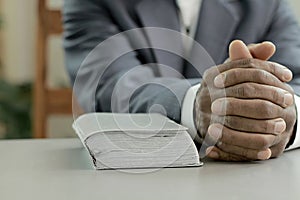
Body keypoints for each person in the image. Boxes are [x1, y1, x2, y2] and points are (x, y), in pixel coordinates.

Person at [63, 0, 300, 161]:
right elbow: (114, 85)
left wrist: (282, 113)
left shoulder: (267, 4)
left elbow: (295, 79)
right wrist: (198, 102)